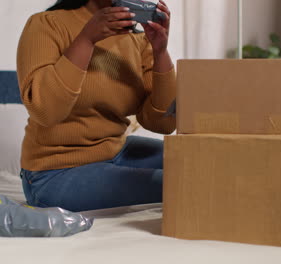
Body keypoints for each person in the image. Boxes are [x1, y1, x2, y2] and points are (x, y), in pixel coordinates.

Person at [17, 0, 176, 212]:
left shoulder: (137, 39)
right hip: (55, 172)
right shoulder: (46, 25)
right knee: (175, 184)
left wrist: (160, 52)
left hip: (116, 152)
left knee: (200, 160)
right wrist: (86, 39)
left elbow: (163, 123)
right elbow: (46, 110)